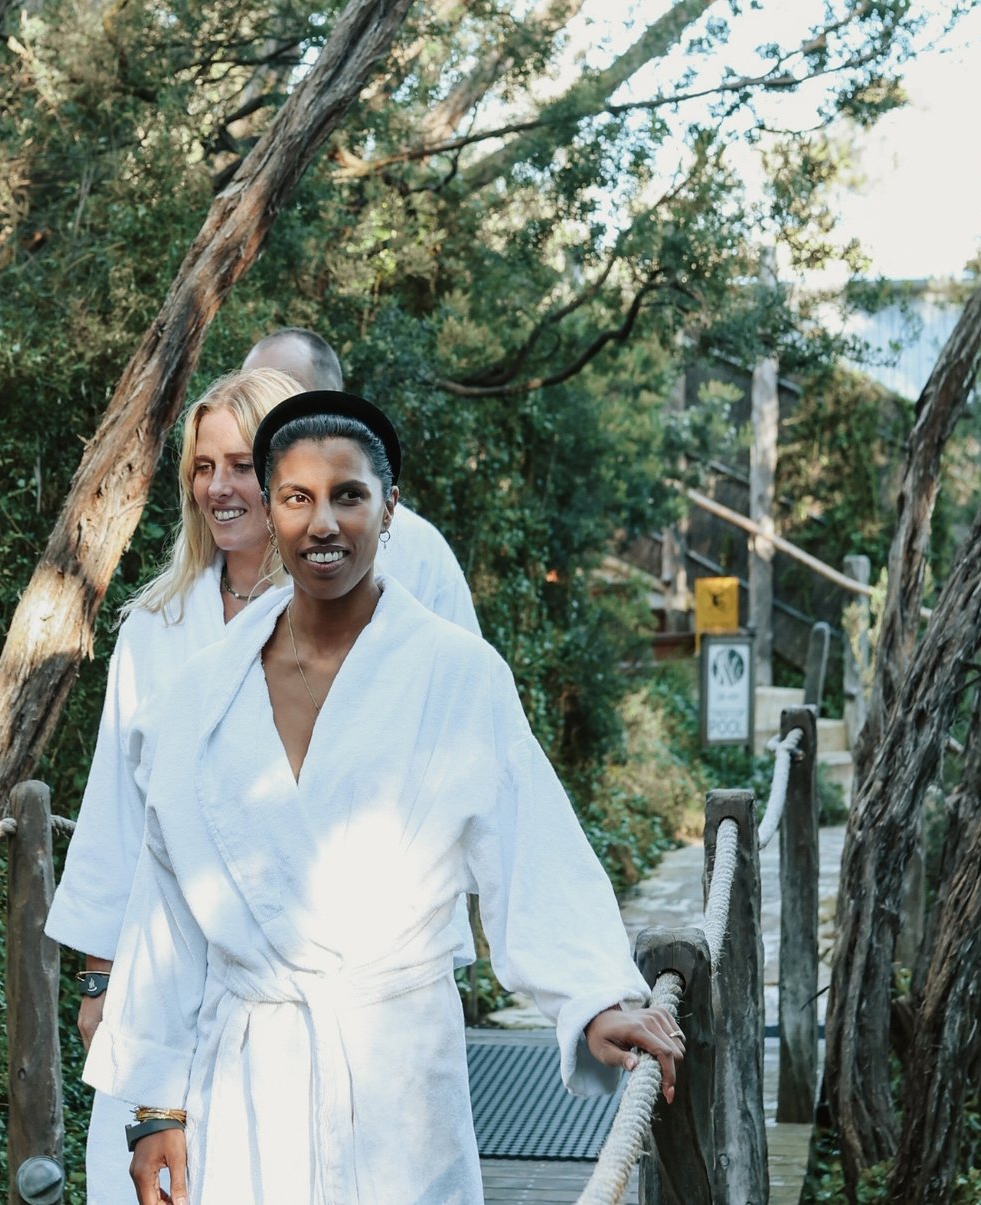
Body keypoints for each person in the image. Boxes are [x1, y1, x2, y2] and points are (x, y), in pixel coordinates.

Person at [86, 391, 683, 1205]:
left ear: (389, 507)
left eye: (348, 495)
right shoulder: (201, 694)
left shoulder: (457, 674)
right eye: (296, 497)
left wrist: (593, 1000)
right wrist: (156, 1103)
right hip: (245, 1076)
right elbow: (170, 907)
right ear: (269, 507)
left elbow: (528, 846)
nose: (322, 522)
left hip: (398, 1076)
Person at [44, 369, 483, 1205]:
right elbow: (117, 818)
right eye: (201, 468)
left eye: (240, 465)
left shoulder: (357, 616)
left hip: (323, 995)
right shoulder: (154, 627)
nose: (219, 487)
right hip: (175, 974)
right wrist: (102, 980)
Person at [243, 328, 477, 630]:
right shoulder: (223, 535)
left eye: (276, 394)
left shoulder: (420, 550)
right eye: (249, 394)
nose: (322, 526)